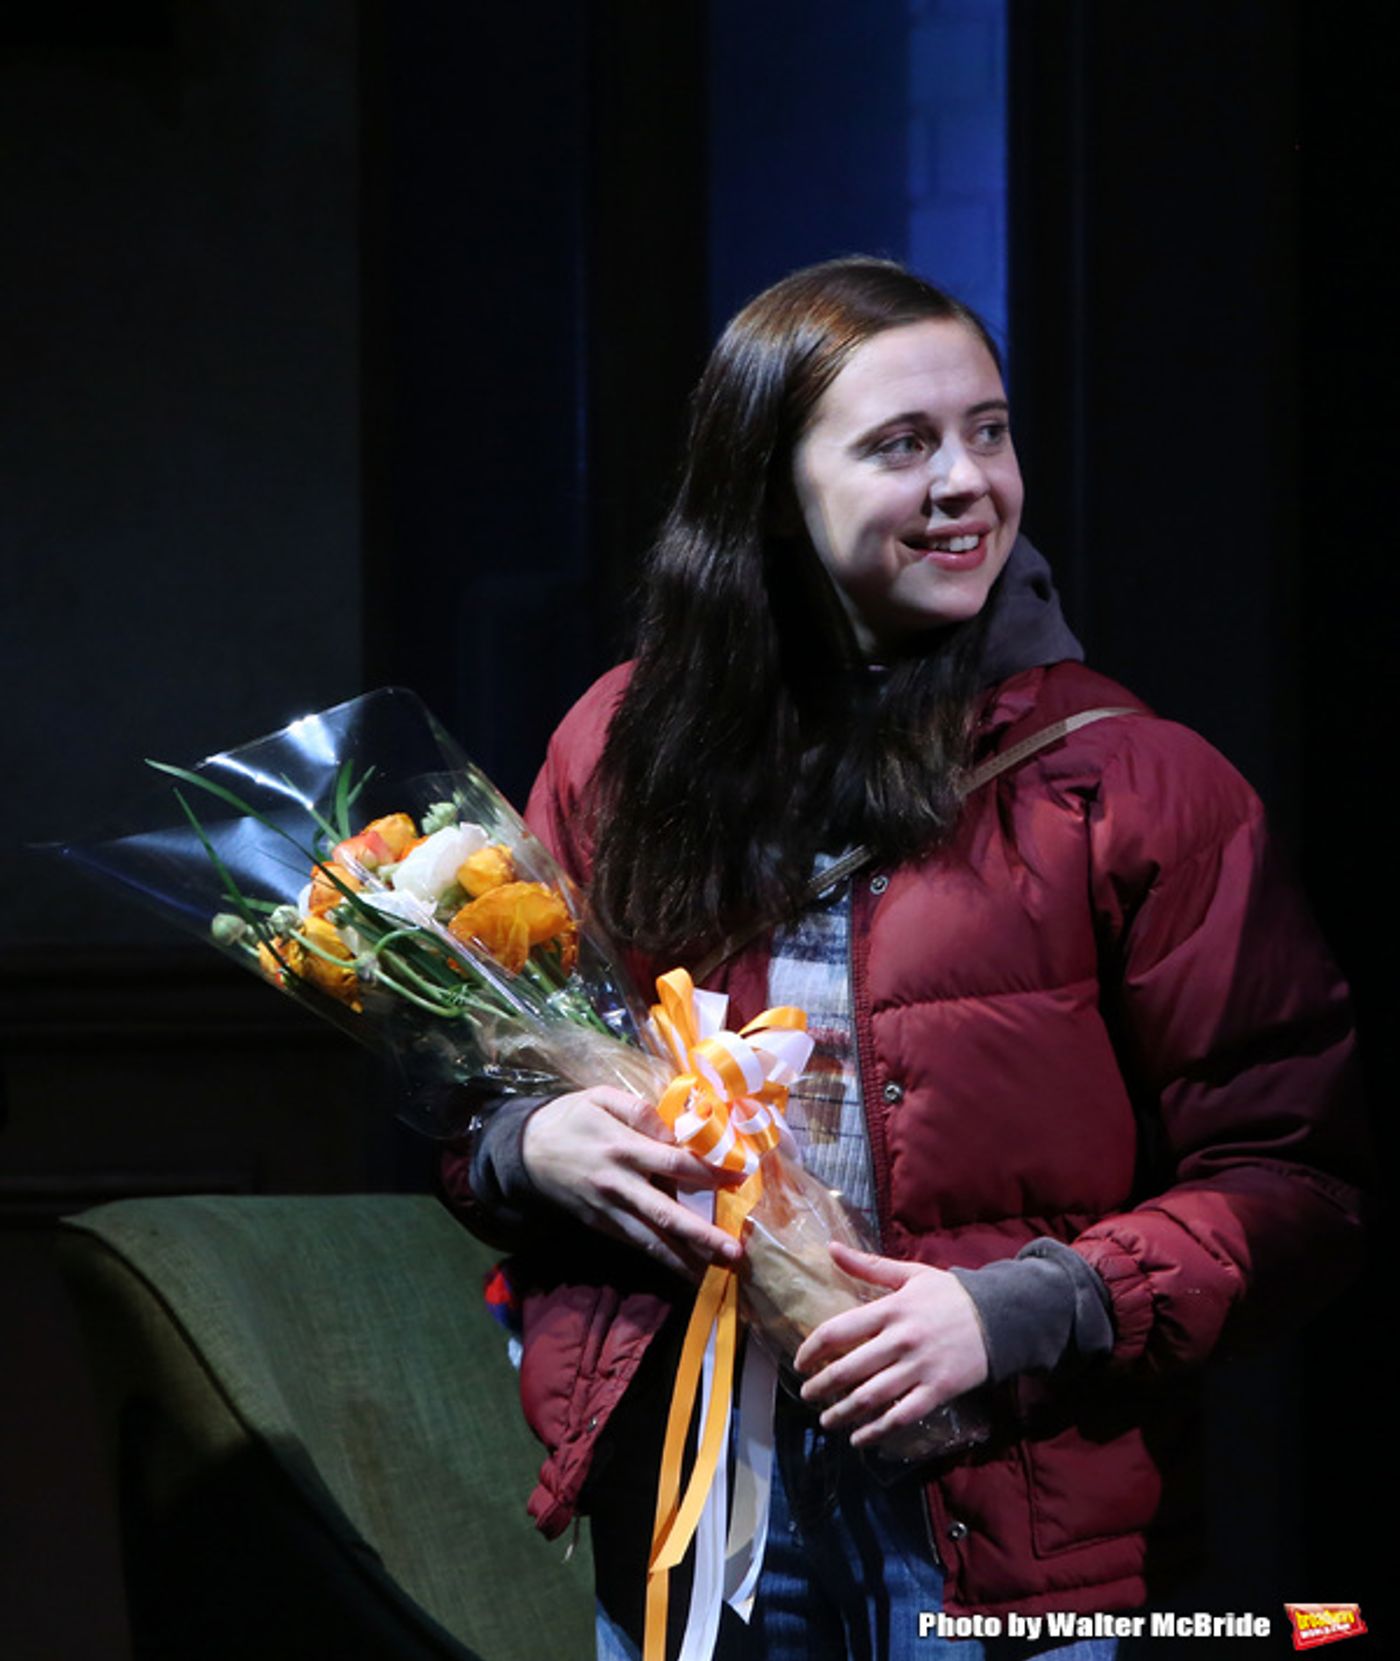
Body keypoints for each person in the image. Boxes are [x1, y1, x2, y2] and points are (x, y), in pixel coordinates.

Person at [443, 257, 1365, 1660]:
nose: (965, 483)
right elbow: (485, 1080)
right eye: (902, 444)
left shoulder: (1128, 784)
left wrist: (1021, 1311)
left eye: (988, 431)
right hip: (700, 1490)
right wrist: (531, 1145)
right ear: (771, 487)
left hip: (1007, 1505)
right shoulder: (624, 752)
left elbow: (1296, 1183)